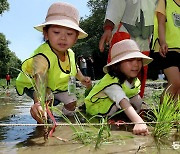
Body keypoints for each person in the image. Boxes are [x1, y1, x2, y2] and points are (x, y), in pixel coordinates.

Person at [16, 2, 91, 124]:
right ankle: (43, 123)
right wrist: (39, 102)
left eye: (69, 34)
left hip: (56, 85)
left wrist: (82, 79)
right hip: (36, 84)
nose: (63, 38)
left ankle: (65, 119)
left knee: (72, 102)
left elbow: (73, 67)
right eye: (56, 32)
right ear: (46, 34)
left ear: (76, 38)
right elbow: (40, 78)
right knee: (45, 101)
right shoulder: (42, 55)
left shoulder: (70, 53)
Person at [85, 39, 153, 135]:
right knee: (116, 106)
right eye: (130, 60)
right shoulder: (111, 81)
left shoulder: (135, 80)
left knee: (137, 99)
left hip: (116, 105)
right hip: (99, 108)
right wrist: (138, 121)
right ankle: (113, 119)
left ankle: (125, 117)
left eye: (139, 60)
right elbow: (122, 100)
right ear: (117, 65)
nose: (136, 64)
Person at [99, 0, 157, 98]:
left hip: (146, 33)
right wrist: (108, 28)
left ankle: (137, 104)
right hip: (124, 28)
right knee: (118, 69)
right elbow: (116, 3)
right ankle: (113, 104)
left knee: (141, 70)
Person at [151, 0, 180, 102]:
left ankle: (173, 114)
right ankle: (162, 113)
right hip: (167, 48)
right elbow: (161, 23)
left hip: (178, 47)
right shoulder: (164, 1)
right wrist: (163, 42)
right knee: (175, 82)